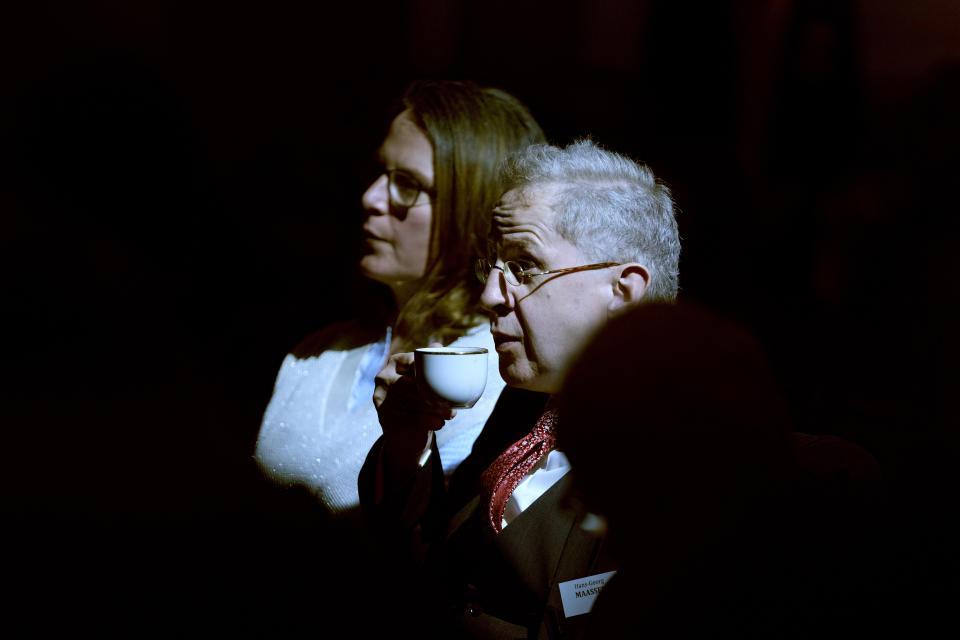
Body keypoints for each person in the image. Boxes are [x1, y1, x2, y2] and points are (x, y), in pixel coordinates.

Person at [361, 139, 681, 638]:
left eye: (524, 266)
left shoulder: (684, 456)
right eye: (492, 266)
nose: (490, 295)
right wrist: (405, 448)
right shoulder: (527, 411)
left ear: (622, 291)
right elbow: (434, 577)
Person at [254, 81, 546, 524]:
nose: (371, 199)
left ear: (473, 207)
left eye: (407, 185)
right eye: (378, 174)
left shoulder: (495, 376)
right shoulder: (318, 352)